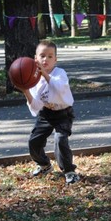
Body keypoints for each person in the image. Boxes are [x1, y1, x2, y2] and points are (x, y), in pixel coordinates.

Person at [20, 40, 80, 185]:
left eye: (50, 56)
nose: (45, 59)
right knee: (34, 141)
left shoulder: (60, 73)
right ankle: (44, 165)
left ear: (55, 59)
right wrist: (25, 90)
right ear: (35, 59)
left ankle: (69, 171)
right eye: (42, 56)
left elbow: (59, 88)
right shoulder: (34, 79)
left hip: (63, 113)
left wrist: (45, 75)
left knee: (60, 140)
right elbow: (35, 106)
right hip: (46, 114)